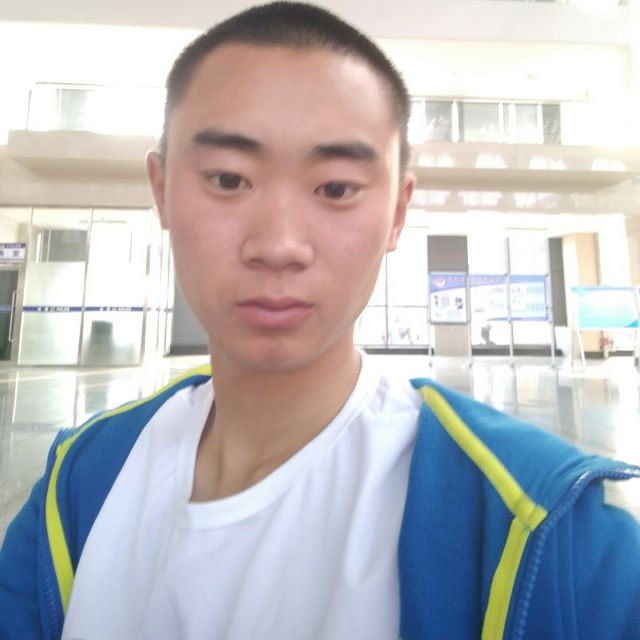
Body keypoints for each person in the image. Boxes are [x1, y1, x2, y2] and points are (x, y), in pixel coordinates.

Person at [1, 3, 639, 639]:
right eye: (228, 178)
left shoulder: (541, 525)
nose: (279, 245)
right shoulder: (81, 481)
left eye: (336, 188)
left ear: (397, 214)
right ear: (162, 189)